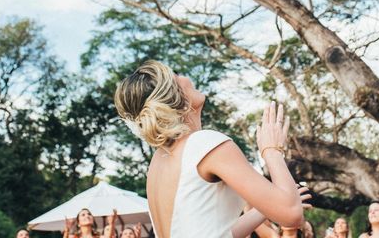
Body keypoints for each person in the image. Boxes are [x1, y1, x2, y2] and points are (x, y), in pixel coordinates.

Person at [114, 60, 305, 238]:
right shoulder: (204, 144)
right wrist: (272, 151)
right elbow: (292, 214)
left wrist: (266, 206)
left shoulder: (159, 160)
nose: (186, 78)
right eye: (177, 75)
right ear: (175, 95)